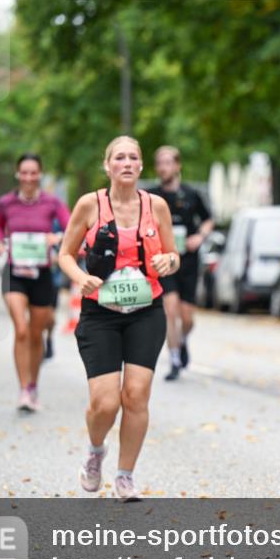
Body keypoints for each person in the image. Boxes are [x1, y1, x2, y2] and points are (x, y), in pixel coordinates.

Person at [58, 136, 179, 501]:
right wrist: (81, 278)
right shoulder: (89, 205)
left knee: (136, 394)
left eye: (133, 158)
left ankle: (125, 476)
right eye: (119, 158)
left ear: (141, 166)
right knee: (106, 403)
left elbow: (173, 255)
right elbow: (65, 254)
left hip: (147, 310)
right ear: (107, 165)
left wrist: (167, 262)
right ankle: (96, 452)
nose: (127, 163)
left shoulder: (156, 206)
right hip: (100, 313)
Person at [0, 153, 70, 412]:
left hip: (42, 275)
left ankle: (34, 385)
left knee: (36, 335)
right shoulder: (6, 202)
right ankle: (23, 389)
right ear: (18, 174)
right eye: (23, 173)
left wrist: (56, 238)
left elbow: (71, 227)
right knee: (22, 330)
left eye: (33, 173)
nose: (28, 177)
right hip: (15, 272)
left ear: (40, 174)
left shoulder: (52, 202)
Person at [147, 145, 213, 381]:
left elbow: (207, 221)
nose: (163, 167)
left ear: (177, 166)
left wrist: (199, 237)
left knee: (187, 317)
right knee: (170, 310)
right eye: (160, 163)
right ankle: (174, 358)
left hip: (188, 261)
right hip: (164, 261)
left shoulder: (191, 194)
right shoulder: (150, 196)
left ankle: (183, 340)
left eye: (168, 162)